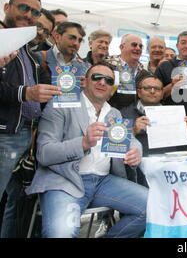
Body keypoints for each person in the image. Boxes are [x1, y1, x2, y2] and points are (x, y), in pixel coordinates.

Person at [26, 61, 148, 238]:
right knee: (61, 233)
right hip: (65, 181)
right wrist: (83, 143)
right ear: (84, 81)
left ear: (112, 88)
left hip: (103, 182)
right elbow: (44, 153)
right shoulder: (60, 106)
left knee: (151, 206)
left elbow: (131, 141)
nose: (102, 82)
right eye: (97, 77)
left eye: (108, 80)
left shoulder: (113, 113)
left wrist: (136, 152)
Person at [0, 0, 61, 238]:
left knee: (15, 202)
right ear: (7, 7)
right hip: (5, 135)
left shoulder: (27, 49)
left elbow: (40, 85)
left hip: (27, 135)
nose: (29, 15)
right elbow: (25, 90)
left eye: (34, 12)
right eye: (23, 8)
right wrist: (26, 93)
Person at [121, 70, 187, 186]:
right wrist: (133, 131)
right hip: (138, 176)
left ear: (162, 93)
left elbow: (184, 150)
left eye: (157, 89)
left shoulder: (175, 114)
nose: (152, 91)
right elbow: (115, 153)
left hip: (169, 174)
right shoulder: (123, 114)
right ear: (139, 92)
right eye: (147, 88)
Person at [105, 33, 145, 110]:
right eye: (134, 45)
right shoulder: (107, 66)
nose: (138, 48)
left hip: (136, 115)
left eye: (140, 46)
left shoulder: (144, 73)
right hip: (111, 114)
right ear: (121, 47)